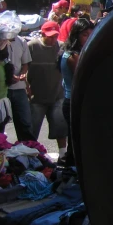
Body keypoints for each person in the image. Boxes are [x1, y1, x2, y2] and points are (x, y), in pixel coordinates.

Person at [27, 22, 67, 157]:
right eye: (50, 36)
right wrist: (27, 87)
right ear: (43, 34)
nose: (53, 40)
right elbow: (25, 68)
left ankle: (62, 155)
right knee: (32, 130)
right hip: (36, 97)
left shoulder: (62, 47)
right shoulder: (32, 46)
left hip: (57, 95)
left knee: (60, 128)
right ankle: (31, 156)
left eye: (55, 36)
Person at [59, 18, 95, 165]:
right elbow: (83, 78)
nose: (88, 38)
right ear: (76, 35)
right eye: (85, 34)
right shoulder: (73, 56)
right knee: (76, 140)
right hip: (73, 102)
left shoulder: (81, 52)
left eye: (91, 34)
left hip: (77, 100)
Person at [1, 34, 33, 142]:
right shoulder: (1, 41)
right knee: (1, 123)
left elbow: (25, 63)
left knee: (25, 122)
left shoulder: (21, 41)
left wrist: (23, 74)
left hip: (19, 88)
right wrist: (9, 76)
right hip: (3, 90)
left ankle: (27, 151)